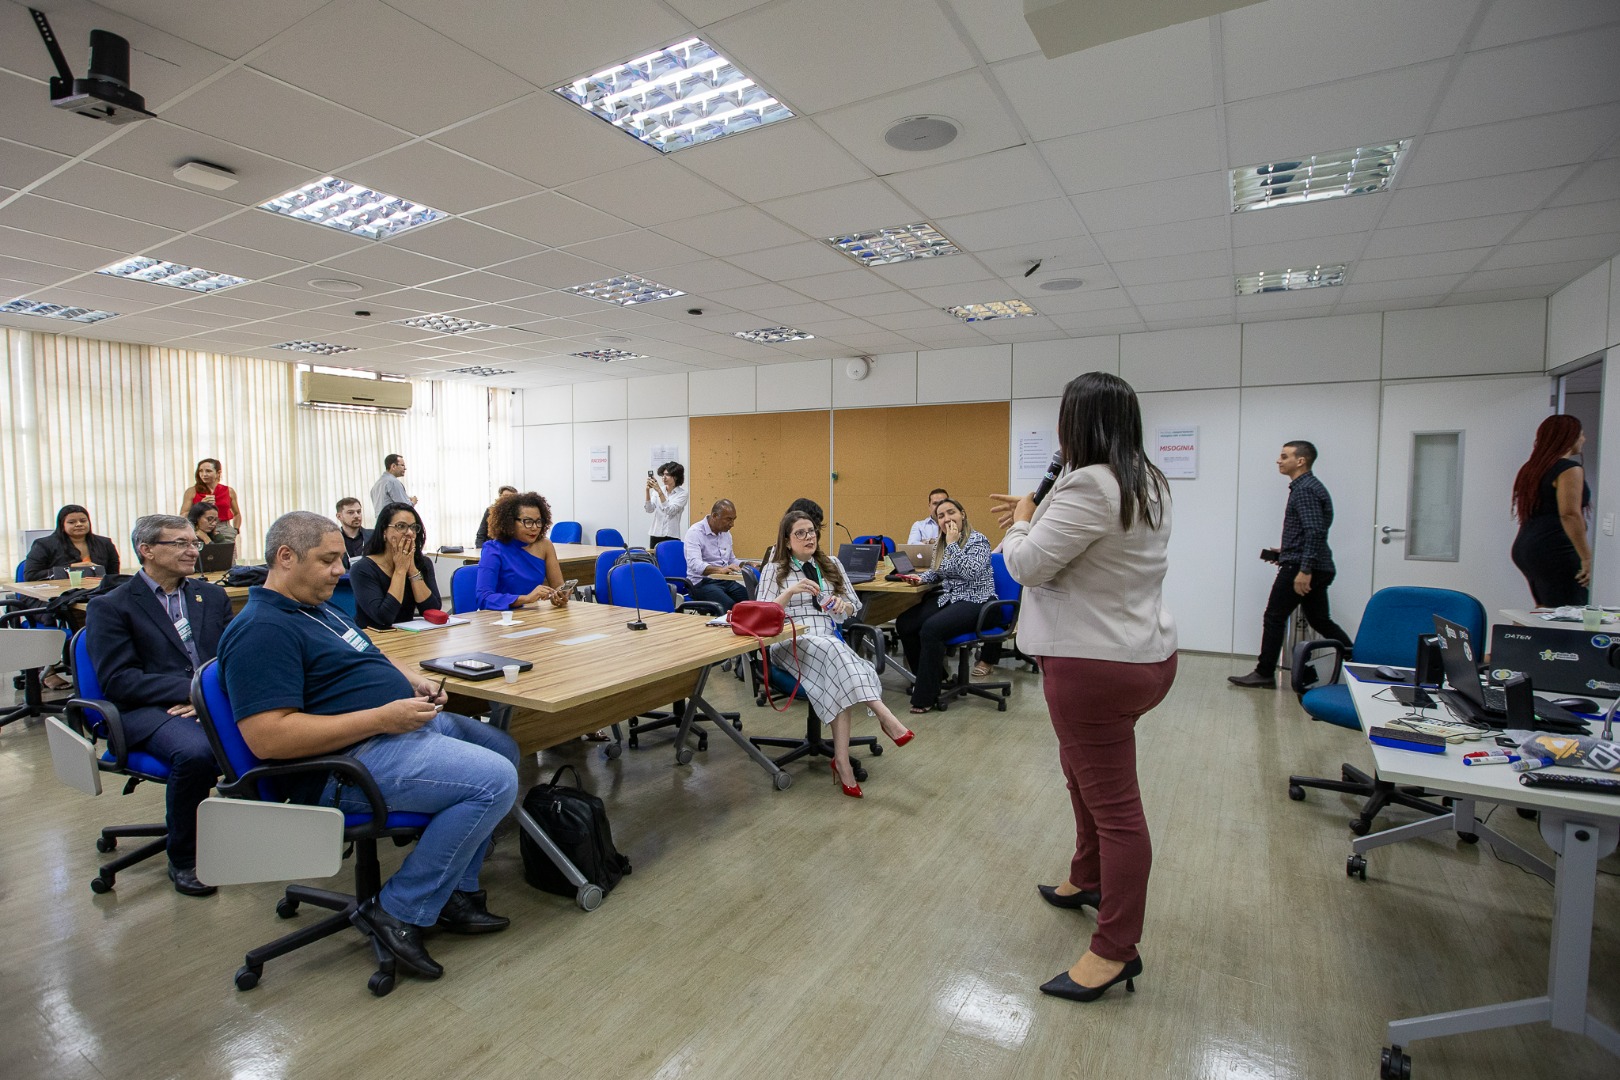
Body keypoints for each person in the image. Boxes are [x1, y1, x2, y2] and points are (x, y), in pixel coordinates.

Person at [218, 511, 520, 980]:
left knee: (505, 750)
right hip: (344, 765)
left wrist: (414, 681)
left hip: (395, 729)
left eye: (341, 558)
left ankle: (453, 891)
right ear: (285, 557)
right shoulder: (262, 628)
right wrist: (382, 717)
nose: (341, 570)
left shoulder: (315, 609)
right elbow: (268, 737)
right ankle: (399, 910)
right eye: (329, 560)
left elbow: (371, 654)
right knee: (495, 780)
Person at [991, 371, 1177, 1004]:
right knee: (1082, 775)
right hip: (1143, 653)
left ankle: (1115, 950)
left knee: (1117, 807)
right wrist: (1042, 516)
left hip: (1092, 666)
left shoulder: (1089, 486)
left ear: (1080, 423)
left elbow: (1024, 564)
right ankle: (1086, 877)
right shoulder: (1146, 479)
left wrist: (1021, 518)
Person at [84, 515, 231, 896]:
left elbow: (229, 659)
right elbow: (119, 680)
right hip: (142, 708)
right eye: (179, 543)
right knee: (197, 752)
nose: (192, 550)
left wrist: (208, 698)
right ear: (146, 551)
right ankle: (184, 857)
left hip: (203, 700)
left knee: (280, 723)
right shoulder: (111, 606)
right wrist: (193, 692)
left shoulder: (210, 595)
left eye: (193, 543)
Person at [756, 510, 915, 797]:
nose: (809, 537)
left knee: (837, 664)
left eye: (812, 531)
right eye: (800, 533)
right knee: (838, 655)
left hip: (827, 637)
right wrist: (790, 592)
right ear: (787, 541)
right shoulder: (774, 569)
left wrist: (843, 607)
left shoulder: (831, 564)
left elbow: (853, 605)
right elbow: (763, 614)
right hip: (790, 639)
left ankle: (841, 761)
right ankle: (885, 716)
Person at [1228, 440, 1353, 689]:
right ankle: (1358, 659)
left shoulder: (1305, 489)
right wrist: (1286, 550)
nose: (1278, 460)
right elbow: (1311, 531)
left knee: (1274, 617)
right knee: (1320, 620)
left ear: (1300, 461)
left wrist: (1304, 569)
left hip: (1303, 567)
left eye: (1284, 456)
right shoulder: (1307, 487)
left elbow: (1315, 531)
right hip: (1312, 563)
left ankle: (1264, 673)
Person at [893, 497, 998, 714]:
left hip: (977, 600)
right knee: (905, 623)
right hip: (950, 597)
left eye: (951, 513)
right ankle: (934, 677)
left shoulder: (978, 540)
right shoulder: (941, 543)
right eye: (941, 516)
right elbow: (938, 571)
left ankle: (925, 697)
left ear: (963, 514)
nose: (947, 519)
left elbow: (970, 573)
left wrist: (952, 544)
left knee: (932, 629)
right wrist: (922, 579)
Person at [1510, 414, 1591, 607]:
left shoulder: (1531, 469)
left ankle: (1524, 637)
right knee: (1567, 612)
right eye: (1581, 435)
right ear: (1569, 438)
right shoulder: (1569, 469)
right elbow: (1569, 514)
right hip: (1554, 549)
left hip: (1527, 548)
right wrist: (1587, 557)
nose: (1583, 439)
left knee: (1544, 609)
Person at [349, 503, 443, 631]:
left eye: (413, 527)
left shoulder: (423, 563)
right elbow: (384, 618)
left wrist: (412, 570)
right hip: (374, 638)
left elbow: (432, 610)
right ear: (384, 531)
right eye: (401, 526)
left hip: (408, 636)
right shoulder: (362, 569)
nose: (409, 533)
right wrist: (400, 570)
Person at [474, 491, 573, 612]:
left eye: (538, 522)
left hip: (532, 615)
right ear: (510, 522)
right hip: (501, 618)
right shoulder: (493, 549)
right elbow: (484, 598)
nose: (534, 527)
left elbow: (558, 585)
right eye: (528, 522)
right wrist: (526, 599)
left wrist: (560, 595)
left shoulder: (545, 545)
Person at [24, 504, 121, 580]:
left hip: (96, 593)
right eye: (72, 522)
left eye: (83, 521)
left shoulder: (105, 543)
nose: (79, 524)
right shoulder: (43, 545)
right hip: (55, 595)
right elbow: (31, 575)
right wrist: (70, 568)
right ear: (62, 525)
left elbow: (113, 575)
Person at [684, 499, 747, 611]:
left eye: (733, 519)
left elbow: (731, 560)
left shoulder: (726, 534)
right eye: (728, 519)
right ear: (714, 516)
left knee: (751, 601)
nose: (732, 524)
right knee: (730, 607)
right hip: (701, 583)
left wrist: (746, 564)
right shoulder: (695, 532)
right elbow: (694, 564)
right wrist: (719, 570)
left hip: (725, 581)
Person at [179, 458, 241, 544]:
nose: (204, 474)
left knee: (226, 555)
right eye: (201, 471)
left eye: (208, 471)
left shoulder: (228, 491)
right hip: (201, 529)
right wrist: (200, 505)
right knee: (204, 556)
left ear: (218, 473)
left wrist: (235, 530)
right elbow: (183, 515)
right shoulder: (192, 491)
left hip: (223, 528)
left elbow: (237, 513)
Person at [644, 461, 689, 548]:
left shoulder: (682, 494)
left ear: (675, 477)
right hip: (655, 534)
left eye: (667, 475)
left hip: (672, 534)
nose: (664, 477)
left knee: (670, 560)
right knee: (654, 560)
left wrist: (660, 492)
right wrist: (647, 491)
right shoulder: (658, 490)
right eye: (663, 475)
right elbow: (649, 509)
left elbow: (670, 511)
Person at [370, 453, 415, 517]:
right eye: (402, 465)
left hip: (381, 522)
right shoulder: (393, 482)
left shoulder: (377, 484)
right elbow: (405, 507)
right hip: (392, 522)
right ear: (393, 466)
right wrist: (413, 501)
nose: (405, 468)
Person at [336, 497, 371, 568]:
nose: (357, 516)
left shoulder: (373, 536)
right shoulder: (333, 540)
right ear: (339, 516)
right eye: (351, 512)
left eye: (359, 512)